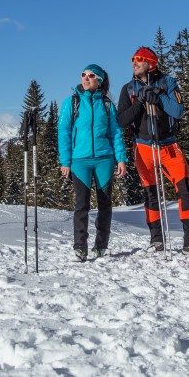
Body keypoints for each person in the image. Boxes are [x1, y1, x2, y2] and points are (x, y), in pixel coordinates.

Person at [116, 46, 189, 257]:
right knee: (150, 194)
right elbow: (121, 120)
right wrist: (140, 102)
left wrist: (158, 98)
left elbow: (178, 111)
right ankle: (156, 240)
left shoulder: (168, 82)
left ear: (151, 62)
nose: (134, 63)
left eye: (139, 59)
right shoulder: (128, 89)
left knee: (185, 188)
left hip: (168, 144)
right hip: (143, 146)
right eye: (133, 60)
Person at [58, 64, 127, 262]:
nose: (86, 78)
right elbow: (64, 132)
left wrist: (121, 158)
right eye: (83, 74)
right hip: (80, 161)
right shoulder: (71, 103)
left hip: (105, 159)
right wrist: (65, 161)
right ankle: (80, 247)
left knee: (105, 205)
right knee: (81, 206)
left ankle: (101, 245)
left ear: (100, 80)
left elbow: (115, 133)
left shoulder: (107, 105)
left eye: (91, 75)